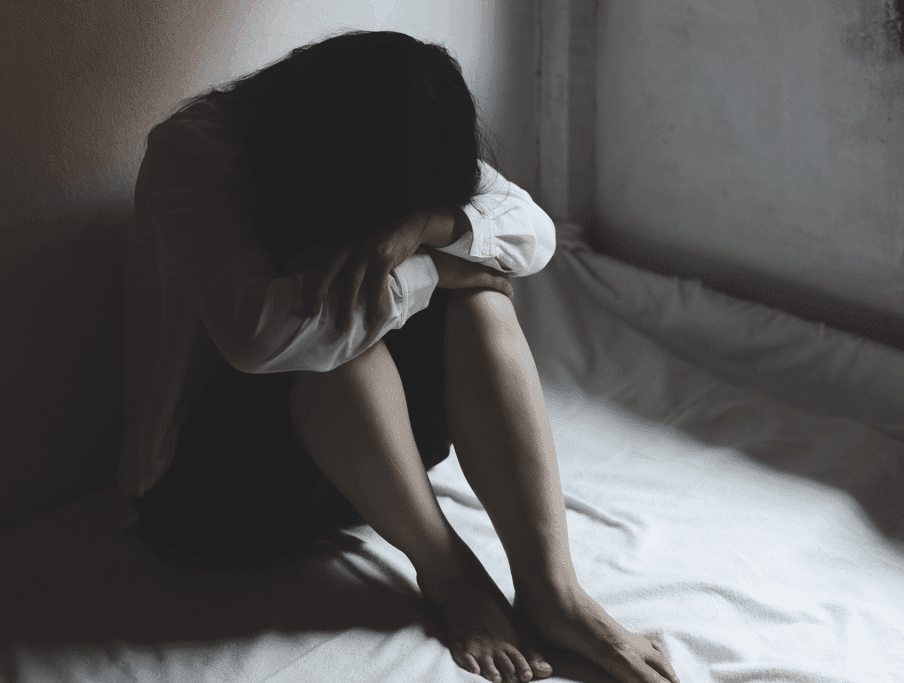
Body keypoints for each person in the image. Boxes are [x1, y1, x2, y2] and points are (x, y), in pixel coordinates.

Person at [116, 29, 680, 683]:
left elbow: (534, 232)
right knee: (338, 329)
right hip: (212, 491)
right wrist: (437, 270)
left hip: (361, 471)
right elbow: (256, 335)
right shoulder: (194, 150)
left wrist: (429, 227)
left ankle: (554, 592)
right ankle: (451, 577)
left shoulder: (390, 125)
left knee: (483, 303)